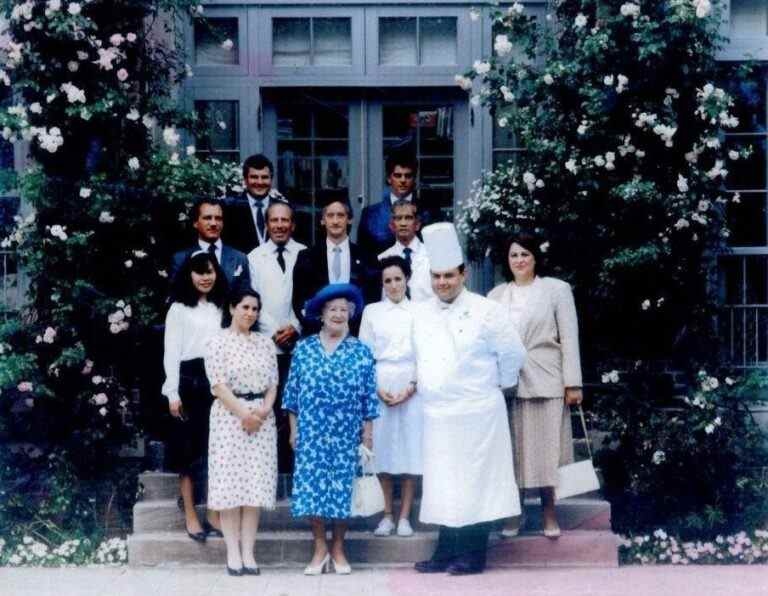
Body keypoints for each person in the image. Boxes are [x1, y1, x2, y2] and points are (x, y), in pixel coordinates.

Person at [411, 222, 526, 576]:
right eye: (436, 276)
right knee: (445, 484)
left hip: (477, 412)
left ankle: (474, 555)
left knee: (476, 484)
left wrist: (493, 388)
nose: (442, 282)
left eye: (449, 275)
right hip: (437, 415)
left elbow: (513, 355)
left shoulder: (486, 310)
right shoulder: (423, 313)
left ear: (463, 274)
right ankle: (446, 551)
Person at [487, 232, 582, 539]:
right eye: (514, 255)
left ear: (535, 257)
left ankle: (549, 513)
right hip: (509, 384)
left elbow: (569, 337)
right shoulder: (496, 295)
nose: (519, 260)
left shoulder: (556, 290)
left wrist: (573, 383)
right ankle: (515, 514)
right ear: (507, 260)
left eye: (525, 254)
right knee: (513, 451)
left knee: (547, 450)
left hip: (547, 378)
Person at [282, 284, 379, 576]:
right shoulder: (304, 348)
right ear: (321, 314)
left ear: (350, 315)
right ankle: (319, 548)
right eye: (333, 309)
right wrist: (293, 430)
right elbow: (292, 394)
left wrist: (368, 434)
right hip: (311, 432)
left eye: (344, 310)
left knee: (342, 491)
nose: (338, 314)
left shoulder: (360, 351)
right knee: (312, 490)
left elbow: (369, 398)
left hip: (347, 433)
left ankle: (338, 547)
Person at [204, 289, 279, 576]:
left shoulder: (264, 344)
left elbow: (273, 384)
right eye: (245, 307)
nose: (250, 313)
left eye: (255, 308)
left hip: (261, 418)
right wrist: (244, 414)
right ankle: (232, 553)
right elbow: (219, 385)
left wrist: (262, 411)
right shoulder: (217, 342)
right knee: (230, 486)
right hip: (229, 417)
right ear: (232, 308)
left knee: (253, 486)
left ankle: (249, 552)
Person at [162, 251, 228, 543]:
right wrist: (172, 392)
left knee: (216, 452)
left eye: (210, 271)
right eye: (199, 272)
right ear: (190, 276)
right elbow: (171, 353)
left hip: (217, 383)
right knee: (187, 454)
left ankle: (214, 514)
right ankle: (190, 514)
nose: (205, 277)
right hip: (188, 382)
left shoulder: (222, 308)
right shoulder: (178, 309)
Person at [359, 256, 421, 538]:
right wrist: (376, 388)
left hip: (411, 384)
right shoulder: (372, 311)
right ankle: (386, 514)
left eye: (398, 279)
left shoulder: (421, 311)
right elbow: (364, 355)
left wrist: (412, 385)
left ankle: (405, 516)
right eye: (388, 281)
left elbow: (426, 353)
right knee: (382, 449)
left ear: (406, 279)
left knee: (409, 450)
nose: (393, 285)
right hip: (381, 381)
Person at [247, 201, 307, 471]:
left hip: (300, 343)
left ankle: (296, 471)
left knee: (297, 408)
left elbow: (310, 297)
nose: (280, 225)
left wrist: (295, 326)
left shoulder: (305, 253)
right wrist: (274, 332)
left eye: (285, 220)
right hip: (267, 345)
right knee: (271, 407)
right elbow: (252, 300)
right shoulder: (254, 257)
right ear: (266, 224)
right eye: (274, 221)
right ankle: (274, 472)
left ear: (293, 224)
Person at [292, 196, 374, 333]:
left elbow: (372, 297)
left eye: (341, 215)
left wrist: (355, 327)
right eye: (330, 216)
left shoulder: (366, 256)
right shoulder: (306, 256)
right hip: (318, 334)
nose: (335, 221)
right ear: (323, 221)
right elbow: (298, 300)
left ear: (349, 219)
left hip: (356, 333)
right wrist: (317, 327)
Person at [170, 198, 251, 293]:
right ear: (195, 223)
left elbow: (246, 298)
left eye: (218, 218)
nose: (213, 223)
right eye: (207, 218)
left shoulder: (240, 258)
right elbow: (176, 297)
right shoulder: (181, 259)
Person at [358, 152, 419, 257]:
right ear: (389, 178)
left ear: (414, 179)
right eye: (398, 175)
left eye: (408, 176)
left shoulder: (430, 212)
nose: (403, 180)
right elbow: (363, 258)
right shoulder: (371, 215)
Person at [225, 154, 289, 254]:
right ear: (245, 180)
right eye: (254, 177)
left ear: (271, 179)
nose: (259, 182)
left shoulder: (284, 209)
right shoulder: (230, 209)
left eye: (264, 177)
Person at [377, 200, 432, 302]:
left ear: (417, 224)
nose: (403, 223)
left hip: (427, 314)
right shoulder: (382, 259)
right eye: (398, 218)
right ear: (392, 226)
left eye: (408, 218)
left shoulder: (432, 255)